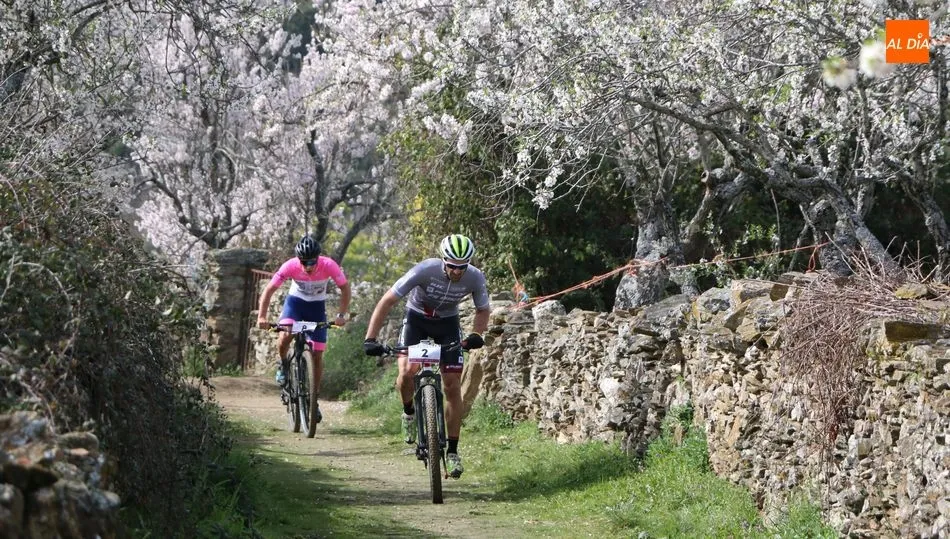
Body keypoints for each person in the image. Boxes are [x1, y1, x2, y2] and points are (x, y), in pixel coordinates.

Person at [362, 234, 490, 479]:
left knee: (453, 386)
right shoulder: (425, 270)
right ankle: (408, 411)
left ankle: (452, 452)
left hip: (447, 324)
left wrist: (476, 333)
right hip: (416, 319)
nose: (456, 271)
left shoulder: (475, 277)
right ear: (443, 261)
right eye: (452, 265)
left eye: (462, 267)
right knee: (406, 372)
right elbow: (387, 301)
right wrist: (370, 338)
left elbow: (483, 309)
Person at [257, 235, 351, 424]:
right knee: (285, 335)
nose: (308, 266)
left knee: (317, 354)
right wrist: (262, 316)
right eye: (304, 262)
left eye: (312, 262)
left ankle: (313, 399)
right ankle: (283, 364)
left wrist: (341, 315)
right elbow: (269, 290)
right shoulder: (290, 266)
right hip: (295, 304)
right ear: (298, 260)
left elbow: (345, 289)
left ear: (318, 258)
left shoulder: (329, 265)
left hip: (316, 308)